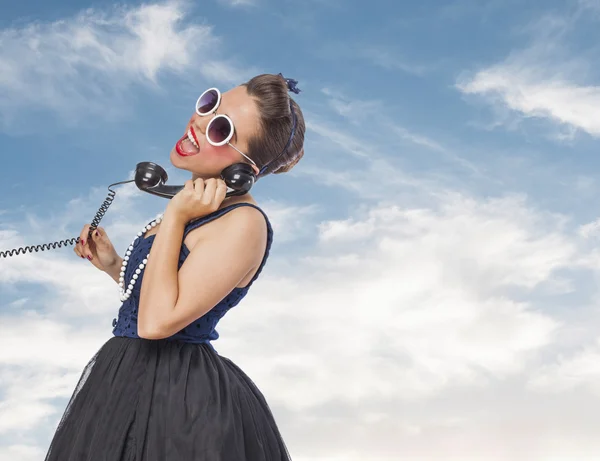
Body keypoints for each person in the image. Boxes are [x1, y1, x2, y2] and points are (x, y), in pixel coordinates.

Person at [44, 73, 305, 461]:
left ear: (243, 170)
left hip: (178, 402)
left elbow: (156, 323)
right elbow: (170, 292)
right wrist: (113, 264)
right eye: (209, 105)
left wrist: (176, 215)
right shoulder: (193, 206)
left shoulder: (243, 224)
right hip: (122, 379)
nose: (199, 122)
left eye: (221, 129)